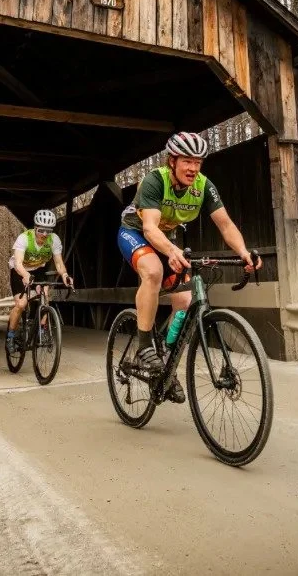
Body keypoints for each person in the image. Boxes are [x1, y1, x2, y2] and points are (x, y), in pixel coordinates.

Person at [117, 131, 261, 403]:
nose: (193, 168)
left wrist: (243, 252)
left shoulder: (204, 186)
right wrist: (171, 250)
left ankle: (166, 369)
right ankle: (145, 345)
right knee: (153, 272)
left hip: (166, 238)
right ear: (172, 161)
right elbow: (149, 228)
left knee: (184, 302)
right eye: (187, 161)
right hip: (135, 233)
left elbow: (226, 225)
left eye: (198, 162)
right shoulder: (154, 181)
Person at [7, 209, 73, 351]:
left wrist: (65, 276)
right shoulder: (24, 238)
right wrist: (26, 276)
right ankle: (11, 336)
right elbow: (18, 264)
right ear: (35, 228)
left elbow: (59, 263)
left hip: (38, 270)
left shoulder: (54, 240)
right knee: (21, 304)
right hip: (19, 271)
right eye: (41, 230)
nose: (44, 234)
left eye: (48, 231)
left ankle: (42, 330)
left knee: (45, 296)